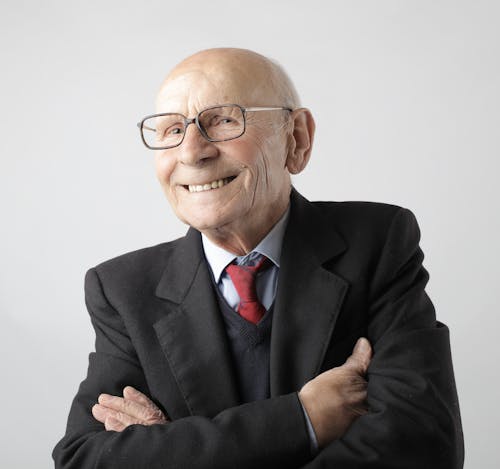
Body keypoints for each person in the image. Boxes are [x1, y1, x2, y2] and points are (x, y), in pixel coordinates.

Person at [53, 48, 464, 468]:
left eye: (224, 119)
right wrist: (304, 419)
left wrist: (177, 446)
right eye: (172, 129)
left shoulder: (377, 244)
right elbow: (84, 460)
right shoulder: (123, 290)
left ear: (297, 138)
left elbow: (423, 444)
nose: (192, 152)